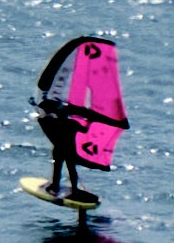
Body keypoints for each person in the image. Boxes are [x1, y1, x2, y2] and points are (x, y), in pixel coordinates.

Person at [34, 33, 128, 201]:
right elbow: (83, 125)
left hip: (62, 149)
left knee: (60, 167)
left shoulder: (61, 124)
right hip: (69, 150)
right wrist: (87, 116)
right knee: (69, 169)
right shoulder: (71, 125)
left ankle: (56, 186)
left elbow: (48, 117)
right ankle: (69, 189)